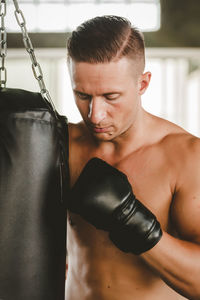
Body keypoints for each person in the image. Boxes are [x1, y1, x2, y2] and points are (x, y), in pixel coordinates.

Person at [65, 15, 200, 300]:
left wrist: (136, 225)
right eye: (82, 95)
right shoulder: (64, 145)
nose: (95, 115)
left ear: (142, 83)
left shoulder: (186, 157)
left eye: (111, 96)